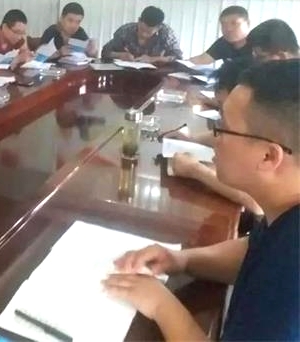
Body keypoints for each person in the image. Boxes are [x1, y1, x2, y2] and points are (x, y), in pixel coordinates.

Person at [105, 59, 300, 341]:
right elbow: (255, 250)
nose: (214, 138)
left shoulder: (291, 268)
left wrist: (161, 305)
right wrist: (181, 260)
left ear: (268, 156)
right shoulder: (284, 216)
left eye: (223, 127)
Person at [170, 59, 262, 215]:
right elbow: (225, 135)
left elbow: (256, 202)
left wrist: (195, 170)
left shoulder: (274, 133)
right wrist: (192, 139)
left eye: (222, 106)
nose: (220, 113)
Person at [101, 6, 183, 62]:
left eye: (148, 32)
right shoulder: (125, 31)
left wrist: (154, 59)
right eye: (142, 30)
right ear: (139, 21)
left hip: (157, 74)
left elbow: (178, 57)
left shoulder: (166, 33)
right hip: (128, 73)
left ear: (158, 27)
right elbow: (105, 51)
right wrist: (119, 55)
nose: (144, 34)